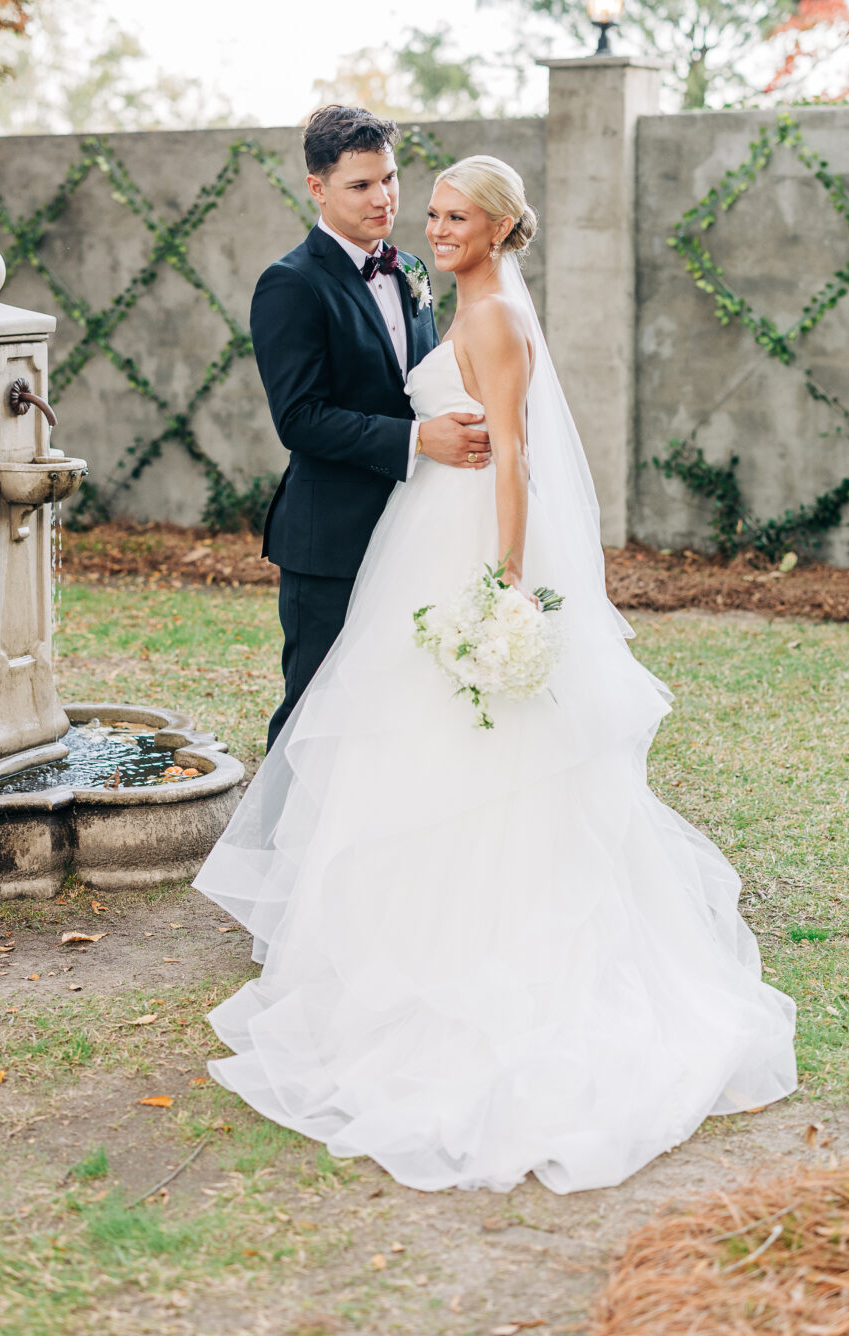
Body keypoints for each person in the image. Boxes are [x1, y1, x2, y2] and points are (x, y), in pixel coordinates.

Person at [193, 155, 797, 1196]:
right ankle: (339, 932)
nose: (418, 219)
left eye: (445, 210)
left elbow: (512, 457)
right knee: (367, 731)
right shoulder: (403, 289)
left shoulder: (490, 314)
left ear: (500, 226)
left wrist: (505, 588)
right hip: (406, 531)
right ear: (320, 188)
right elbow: (311, 415)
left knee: (465, 751)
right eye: (414, 204)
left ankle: (457, 949)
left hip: (462, 541)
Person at [251, 105, 492, 751]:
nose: (382, 197)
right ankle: (278, 849)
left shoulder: (413, 271)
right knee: (314, 707)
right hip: (330, 536)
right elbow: (298, 419)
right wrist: (419, 442)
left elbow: (418, 383)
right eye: (360, 185)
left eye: (388, 178)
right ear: (317, 187)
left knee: (395, 701)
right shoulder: (288, 285)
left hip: (415, 527)